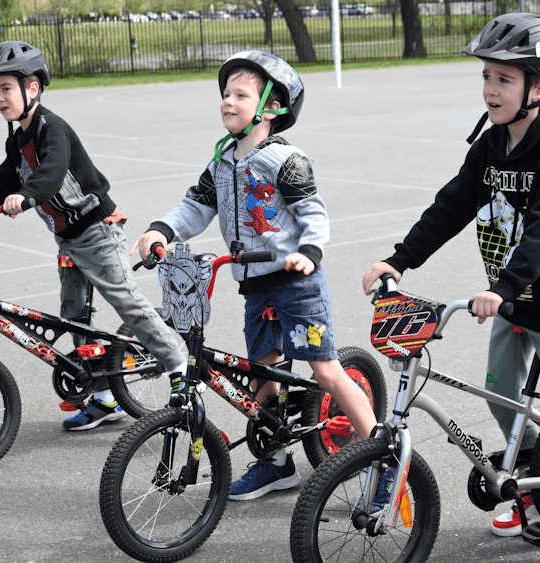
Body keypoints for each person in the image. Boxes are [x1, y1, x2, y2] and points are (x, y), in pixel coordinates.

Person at [361, 13, 540, 537]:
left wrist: (503, 287)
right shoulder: (491, 144)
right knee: (500, 395)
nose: (490, 89)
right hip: (509, 301)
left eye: (504, 79)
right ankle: (534, 488)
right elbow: (452, 206)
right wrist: (400, 259)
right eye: (486, 76)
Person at [131, 50, 377, 501]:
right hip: (254, 285)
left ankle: (380, 457)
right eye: (225, 93)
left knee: (325, 371)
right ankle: (276, 462)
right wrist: (160, 229)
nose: (228, 101)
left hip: (296, 282)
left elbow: (313, 213)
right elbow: (195, 207)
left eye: (240, 94)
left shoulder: (285, 159)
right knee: (265, 377)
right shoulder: (223, 159)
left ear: (270, 107)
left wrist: (309, 251)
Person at [0, 41, 186, 431]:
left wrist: (28, 195)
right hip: (69, 240)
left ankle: (179, 365)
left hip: (97, 233)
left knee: (128, 303)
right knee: (76, 318)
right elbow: (0, 184)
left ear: (32, 87)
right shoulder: (18, 138)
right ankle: (106, 399)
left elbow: (51, 171)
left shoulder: (52, 128)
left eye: (6, 88)